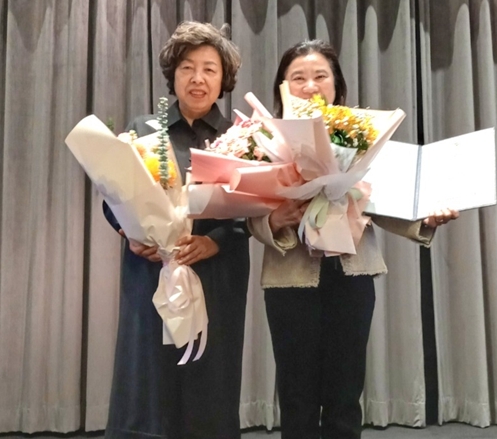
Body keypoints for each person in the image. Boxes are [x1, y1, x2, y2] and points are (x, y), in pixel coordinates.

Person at [248, 39, 459, 439]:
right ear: (282, 87)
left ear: (337, 86)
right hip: (290, 279)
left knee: (345, 391)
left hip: (351, 276)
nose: (310, 85)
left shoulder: (361, 136)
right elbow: (247, 212)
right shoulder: (263, 140)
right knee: (295, 393)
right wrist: (274, 220)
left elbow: (382, 200)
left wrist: (425, 218)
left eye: (320, 76)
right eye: (298, 78)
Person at [103, 22, 249, 439]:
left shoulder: (239, 137)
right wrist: (129, 233)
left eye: (209, 69)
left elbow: (253, 210)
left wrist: (213, 242)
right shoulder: (145, 128)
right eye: (187, 68)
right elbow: (112, 198)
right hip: (151, 271)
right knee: (147, 377)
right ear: (173, 74)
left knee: (210, 377)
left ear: (223, 79)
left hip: (215, 273)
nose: (197, 78)